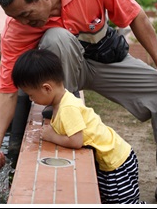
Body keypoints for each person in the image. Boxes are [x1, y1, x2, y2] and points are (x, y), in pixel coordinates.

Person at [0, 0, 157, 204]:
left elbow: (135, 16)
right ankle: (67, 118)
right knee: (56, 38)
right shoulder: (16, 28)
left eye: (26, 14)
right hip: (63, 79)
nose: (22, 23)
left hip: (106, 59)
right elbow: (7, 91)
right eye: (15, 17)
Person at [12, 48, 146, 204]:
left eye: (31, 94)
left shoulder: (68, 108)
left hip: (116, 163)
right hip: (109, 160)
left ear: (47, 88)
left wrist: (51, 136)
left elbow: (76, 141)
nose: (31, 99)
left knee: (121, 202)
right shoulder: (61, 101)